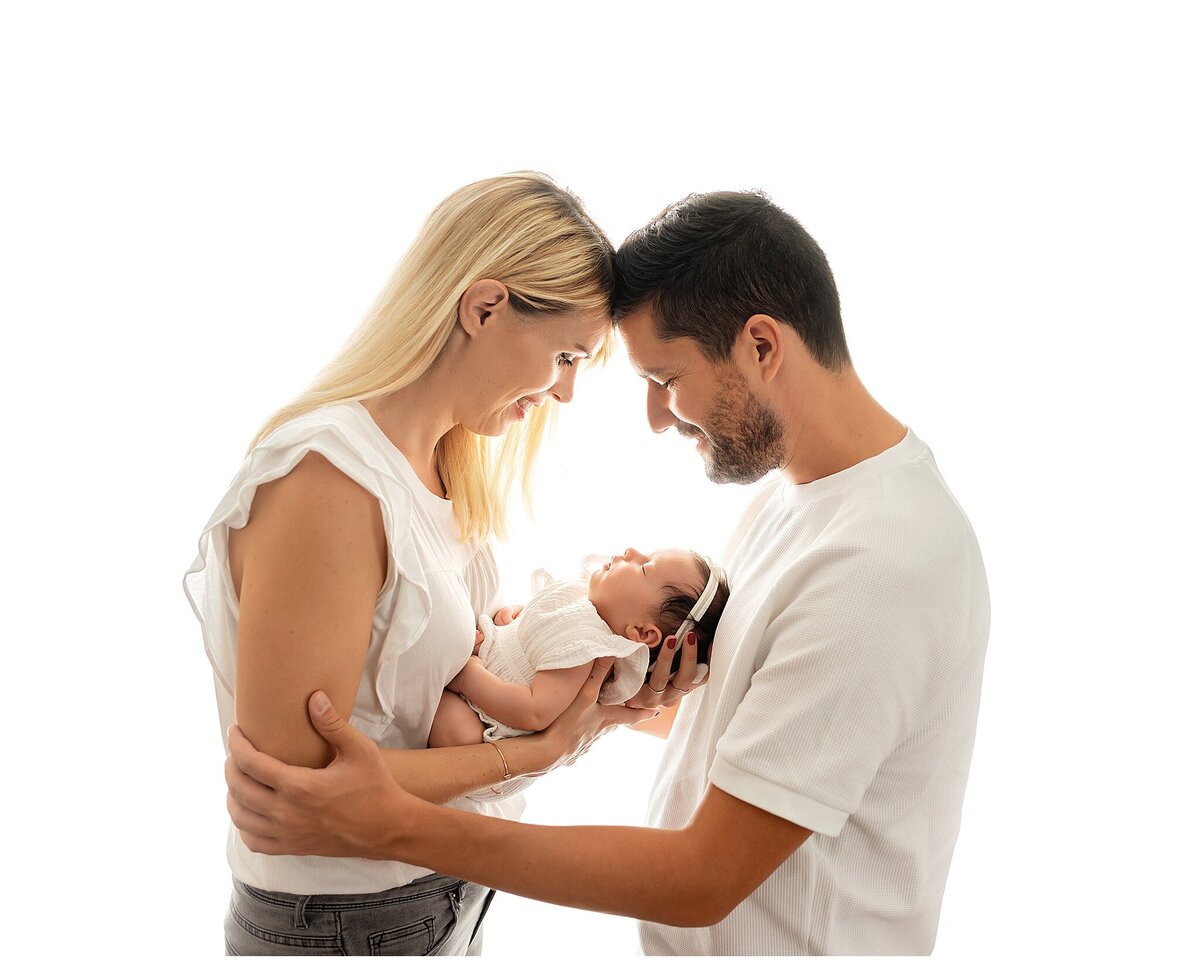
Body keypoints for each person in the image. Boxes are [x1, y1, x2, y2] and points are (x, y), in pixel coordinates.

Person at [224, 190, 990, 955]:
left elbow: (703, 879)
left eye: (666, 377)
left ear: (761, 345)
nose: (657, 417)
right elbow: (782, 724)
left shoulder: (881, 561)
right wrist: (599, 707)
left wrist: (414, 814)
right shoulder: (795, 504)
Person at [183, 172, 662, 956]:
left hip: (436, 892)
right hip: (344, 924)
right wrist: (539, 750)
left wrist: (587, 691)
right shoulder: (329, 479)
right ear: (483, 307)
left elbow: (418, 700)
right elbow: (297, 791)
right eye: (567, 355)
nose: (568, 392)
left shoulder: (443, 467)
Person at [430, 547, 729, 748]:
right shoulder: (582, 601)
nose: (631, 552)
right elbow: (545, 628)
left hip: (488, 719)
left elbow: (533, 711)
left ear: (641, 631)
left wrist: (468, 675)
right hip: (489, 675)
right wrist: (517, 618)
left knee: (453, 730)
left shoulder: (587, 652)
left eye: (645, 568)